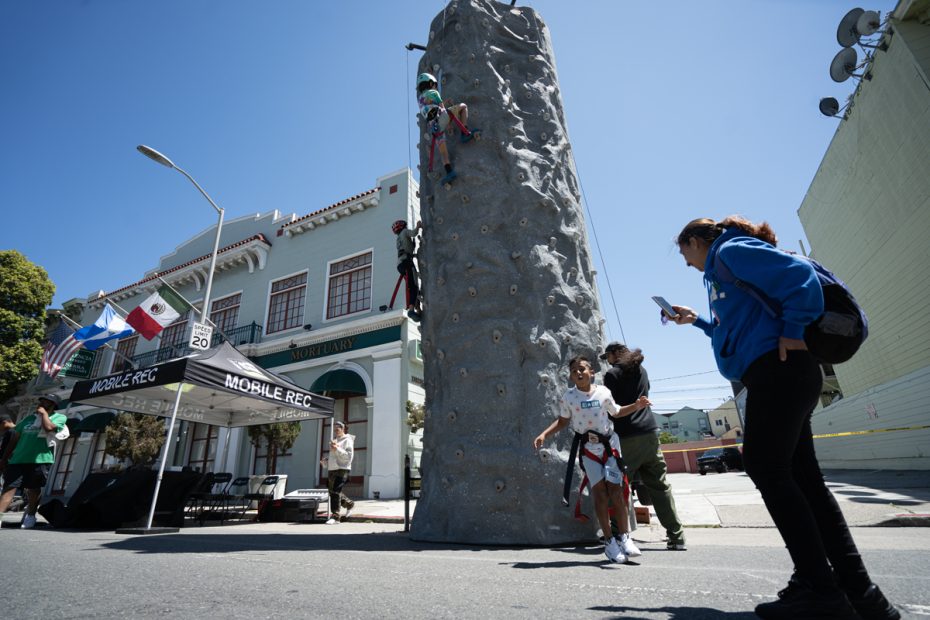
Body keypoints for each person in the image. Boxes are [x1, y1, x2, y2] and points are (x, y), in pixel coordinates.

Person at [668, 216, 899, 620]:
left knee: (764, 466)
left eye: (685, 253)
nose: (687, 263)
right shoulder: (724, 268)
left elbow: (798, 279)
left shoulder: (731, 251)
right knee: (805, 482)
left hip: (781, 369)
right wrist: (700, 322)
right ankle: (861, 595)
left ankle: (820, 588)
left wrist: (794, 330)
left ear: (693, 240)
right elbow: (743, 327)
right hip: (779, 372)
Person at [533, 355, 651, 564]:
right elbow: (562, 421)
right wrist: (544, 434)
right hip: (589, 449)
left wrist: (637, 405)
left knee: (616, 491)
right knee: (599, 494)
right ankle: (609, 542)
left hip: (610, 447)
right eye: (573, 371)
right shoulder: (569, 397)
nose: (578, 373)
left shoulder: (603, 392)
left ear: (591, 372)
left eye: (582, 369)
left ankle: (624, 537)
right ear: (570, 376)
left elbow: (616, 412)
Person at [600, 342, 686, 551]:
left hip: (627, 436)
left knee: (616, 486)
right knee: (660, 485)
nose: (607, 361)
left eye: (607, 357)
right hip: (650, 433)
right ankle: (677, 536)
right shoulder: (642, 371)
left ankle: (617, 534)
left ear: (615, 354)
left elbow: (611, 408)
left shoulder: (612, 375)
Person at [0, 394, 68, 529]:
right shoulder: (29, 419)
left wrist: (43, 414)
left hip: (40, 459)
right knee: (9, 487)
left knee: (33, 489)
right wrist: (4, 458)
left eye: (46, 402)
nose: (42, 403)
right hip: (18, 459)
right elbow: (15, 438)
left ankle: (31, 514)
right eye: (41, 401)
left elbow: (49, 428)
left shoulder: (60, 417)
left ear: (53, 405)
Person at [416, 72, 477, 186]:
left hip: (434, 129)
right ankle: (465, 133)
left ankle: (449, 172)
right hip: (441, 119)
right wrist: (448, 119)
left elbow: (431, 108)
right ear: (430, 83)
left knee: (444, 152)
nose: (435, 86)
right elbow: (442, 108)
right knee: (463, 106)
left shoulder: (420, 100)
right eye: (434, 84)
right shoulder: (434, 92)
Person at [320, 420, 355, 525]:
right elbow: (334, 456)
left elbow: (349, 457)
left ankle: (335, 517)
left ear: (343, 428)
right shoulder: (334, 440)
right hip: (332, 469)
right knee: (333, 491)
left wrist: (337, 449)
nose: (335, 430)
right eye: (334, 428)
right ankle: (349, 504)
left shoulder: (347, 440)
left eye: (337, 428)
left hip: (342, 468)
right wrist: (325, 462)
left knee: (335, 490)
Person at [393, 219, 423, 322]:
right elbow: (414, 233)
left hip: (401, 264)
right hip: (407, 262)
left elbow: (407, 249)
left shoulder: (398, 239)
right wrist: (418, 226)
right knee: (414, 285)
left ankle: (418, 309)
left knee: (411, 285)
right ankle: (412, 309)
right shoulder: (405, 232)